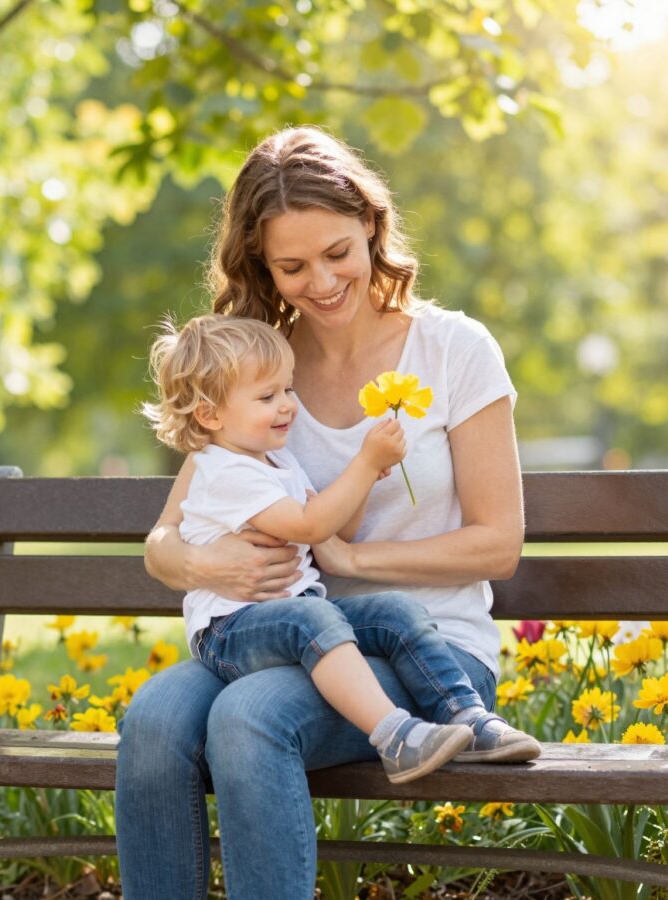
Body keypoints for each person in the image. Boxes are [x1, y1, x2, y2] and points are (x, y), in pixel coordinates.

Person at [116, 125, 525, 898]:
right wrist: (205, 563)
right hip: (277, 638)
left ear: (371, 223)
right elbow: (165, 537)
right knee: (155, 721)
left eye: (337, 252)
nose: (323, 281)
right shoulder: (258, 369)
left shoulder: (454, 351)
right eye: (292, 266)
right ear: (261, 266)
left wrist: (353, 560)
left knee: (247, 719)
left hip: (424, 653)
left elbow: (498, 545)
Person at [141, 314, 537, 784]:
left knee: (394, 611)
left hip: (293, 616)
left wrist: (364, 480)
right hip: (233, 630)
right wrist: (364, 465)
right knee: (311, 621)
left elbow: (336, 529)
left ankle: (467, 715)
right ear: (210, 415)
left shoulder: (274, 458)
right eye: (268, 397)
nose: (287, 405)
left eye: (288, 390)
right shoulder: (224, 471)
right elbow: (311, 525)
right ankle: (394, 736)